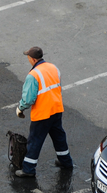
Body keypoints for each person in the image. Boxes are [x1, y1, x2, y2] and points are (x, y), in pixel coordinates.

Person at [14, 46, 73, 178]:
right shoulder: (53, 67)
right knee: (59, 137)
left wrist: (20, 108)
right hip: (56, 109)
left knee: (35, 140)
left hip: (42, 113)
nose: (28, 59)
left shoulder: (33, 75)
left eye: (28, 57)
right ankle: (66, 162)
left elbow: (28, 99)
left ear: (33, 59)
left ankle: (28, 169)